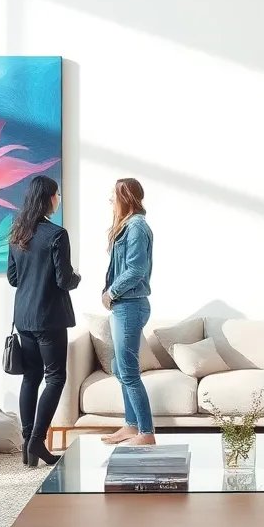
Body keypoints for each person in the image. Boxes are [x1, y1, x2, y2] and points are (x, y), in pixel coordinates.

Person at [6, 176, 80, 467]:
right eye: (57, 194)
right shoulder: (57, 235)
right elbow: (64, 280)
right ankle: (37, 441)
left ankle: (28, 443)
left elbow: (13, 278)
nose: (59, 198)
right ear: (49, 198)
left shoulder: (17, 233)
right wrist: (76, 276)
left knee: (31, 377)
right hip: (49, 318)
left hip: (23, 318)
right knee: (55, 377)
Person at [99, 178, 156, 446]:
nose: (110, 199)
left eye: (113, 194)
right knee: (121, 368)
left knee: (129, 372)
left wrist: (111, 293)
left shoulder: (136, 227)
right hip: (123, 305)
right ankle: (131, 426)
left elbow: (135, 271)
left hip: (130, 306)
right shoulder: (126, 227)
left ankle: (146, 433)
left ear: (125, 196)